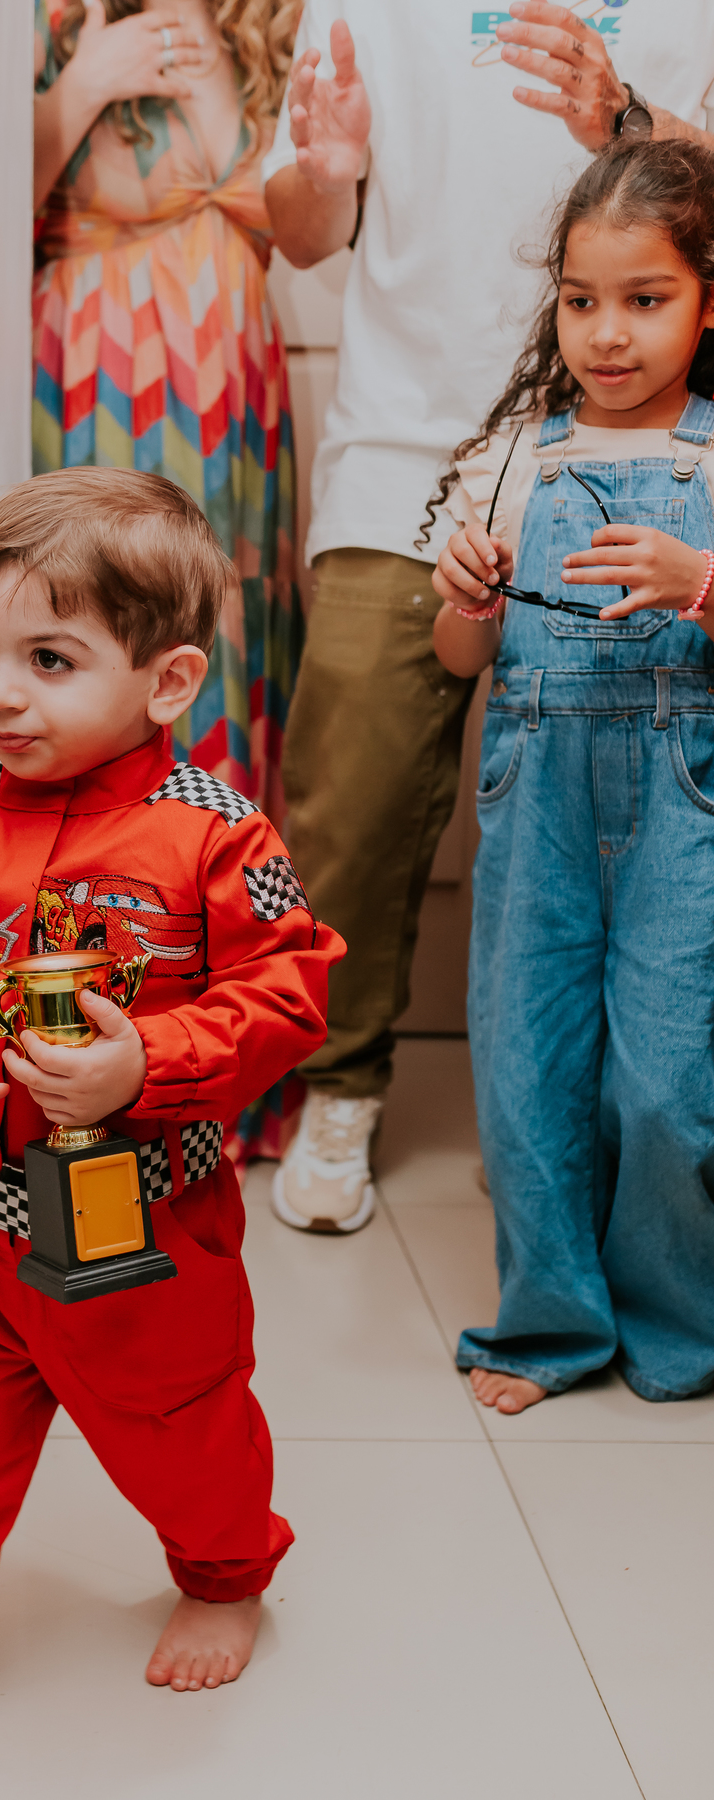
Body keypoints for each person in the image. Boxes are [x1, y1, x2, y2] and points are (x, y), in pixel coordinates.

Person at [0, 468, 344, 1763]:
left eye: (49, 657)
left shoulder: (215, 837)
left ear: (169, 679)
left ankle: (226, 1574)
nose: (0, 693)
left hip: (146, 1239)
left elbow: (291, 991)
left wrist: (152, 1064)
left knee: (185, 1435)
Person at [260, 2, 714, 1236]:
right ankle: (338, 1088)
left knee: (623, 824)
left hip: (630, 439)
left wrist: (621, 122)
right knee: (348, 790)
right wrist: (324, 171)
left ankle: (563, 1122)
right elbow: (299, 234)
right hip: (404, 451)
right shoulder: (363, 13)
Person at [431, 139, 714, 1414]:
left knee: (666, 1079)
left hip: (683, 801)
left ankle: (675, 1323)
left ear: (709, 300)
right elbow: (460, 651)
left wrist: (696, 583)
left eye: (645, 300)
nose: (608, 334)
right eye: (582, 300)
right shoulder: (509, 452)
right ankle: (548, 1327)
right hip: (534, 788)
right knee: (529, 1059)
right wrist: (463, 598)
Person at [32, 0, 302, 837]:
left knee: (225, 622)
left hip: (234, 389)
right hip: (98, 369)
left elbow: (297, 212)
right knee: (100, 612)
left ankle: (212, 891)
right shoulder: (46, 19)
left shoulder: (262, 18)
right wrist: (82, 86)